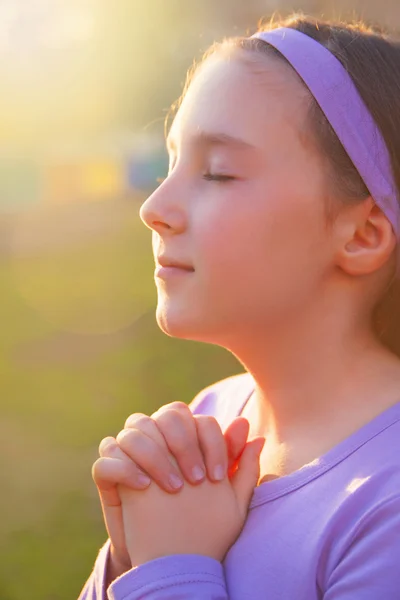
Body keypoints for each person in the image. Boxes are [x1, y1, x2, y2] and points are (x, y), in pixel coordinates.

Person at [78, 13, 400, 600]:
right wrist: (128, 557)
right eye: (172, 163)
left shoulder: (387, 512)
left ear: (361, 235)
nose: (155, 206)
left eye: (218, 173)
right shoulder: (212, 422)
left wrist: (172, 566)